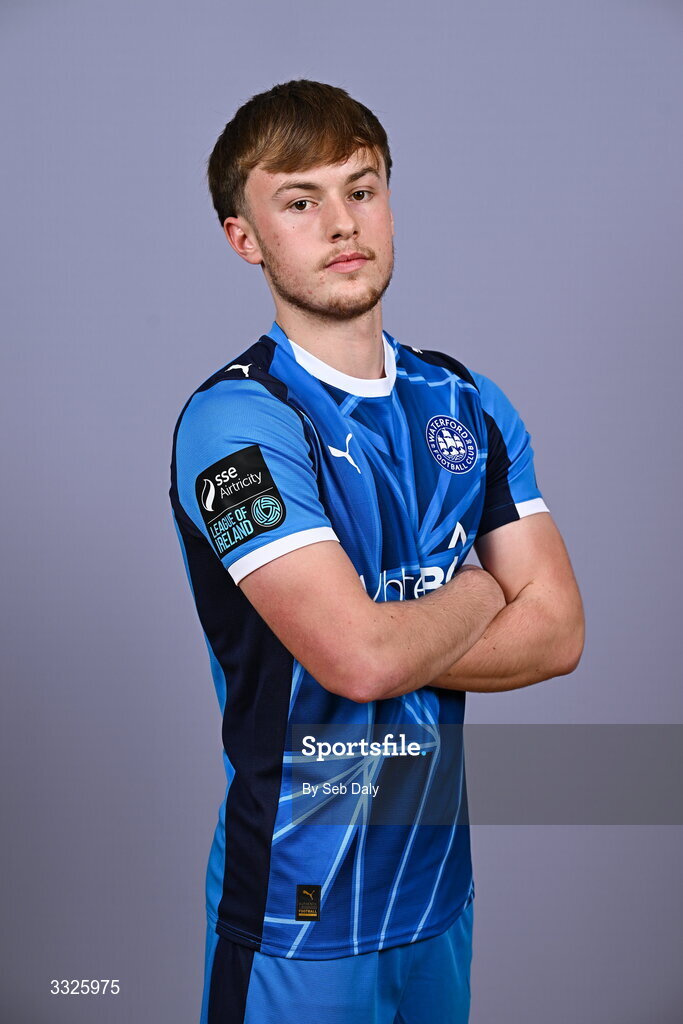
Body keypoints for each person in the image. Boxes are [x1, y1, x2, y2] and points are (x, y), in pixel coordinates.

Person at [169, 79, 584, 1024]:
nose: (340, 223)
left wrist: (392, 631)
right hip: (299, 914)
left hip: (437, 895)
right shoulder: (236, 424)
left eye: (361, 189)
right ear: (246, 237)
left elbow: (558, 632)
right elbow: (356, 660)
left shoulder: (465, 404)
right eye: (299, 201)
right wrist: (481, 593)